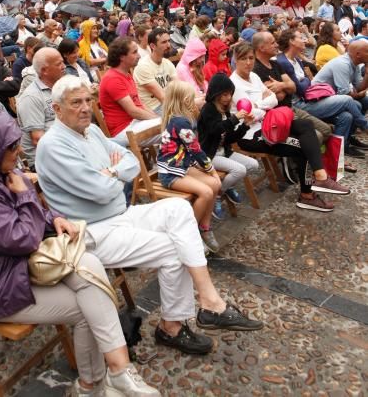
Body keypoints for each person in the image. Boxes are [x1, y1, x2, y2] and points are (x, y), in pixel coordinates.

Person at [36, 75, 264, 356]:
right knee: (173, 247)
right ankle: (172, 327)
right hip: (91, 232)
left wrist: (113, 172)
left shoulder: (91, 131)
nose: (85, 108)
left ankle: (209, 300)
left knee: (179, 209)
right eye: (76, 103)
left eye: (87, 100)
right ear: (57, 109)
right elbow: (101, 191)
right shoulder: (53, 145)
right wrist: (115, 173)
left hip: (120, 213)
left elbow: (134, 161)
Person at [0, 110, 159, 397]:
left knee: (90, 270)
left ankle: (112, 374)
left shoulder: (2, 173)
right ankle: (97, 383)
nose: (16, 151)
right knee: (91, 301)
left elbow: (36, 216)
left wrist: (54, 218)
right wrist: (26, 196)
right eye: (9, 147)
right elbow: (23, 239)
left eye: (15, 144)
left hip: (21, 270)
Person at [230, 42, 350, 211]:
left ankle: (320, 176)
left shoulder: (254, 77)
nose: (248, 62)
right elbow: (252, 114)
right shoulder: (234, 84)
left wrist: (261, 104)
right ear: (236, 59)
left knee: (306, 125)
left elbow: (273, 99)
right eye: (243, 59)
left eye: (251, 58)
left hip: (269, 124)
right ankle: (307, 194)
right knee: (304, 147)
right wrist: (264, 102)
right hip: (251, 135)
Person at [276, 29, 367, 161]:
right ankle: (365, 126)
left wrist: (305, 81)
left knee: (346, 117)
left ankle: (336, 154)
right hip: (300, 105)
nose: (305, 40)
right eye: (300, 37)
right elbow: (301, 89)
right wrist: (305, 81)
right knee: (349, 100)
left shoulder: (296, 60)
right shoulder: (284, 62)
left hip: (312, 98)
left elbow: (307, 83)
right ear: (291, 41)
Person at [157, 80, 221, 252]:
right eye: (193, 99)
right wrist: (211, 170)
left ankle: (205, 227)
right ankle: (188, 234)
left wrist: (210, 174)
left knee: (215, 184)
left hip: (182, 166)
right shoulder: (180, 123)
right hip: (170, 173)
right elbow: (196, 150)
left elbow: (191, 152)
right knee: (206, 192)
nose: (196, 102)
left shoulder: (183, 119)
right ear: (186, 101)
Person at [252, 31, 332, 145]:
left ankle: (306, 154)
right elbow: (278, 97)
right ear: (262, 48)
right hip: (277, 115)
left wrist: (281, 85)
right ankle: (298, 159)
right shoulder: (256, 69)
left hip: (291, 107)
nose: (276, 45)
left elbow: (293, 87)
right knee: (316, 136)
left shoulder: (275, 64)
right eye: (272, 43)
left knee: (326, 130)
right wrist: (286, 87)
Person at [198, 73, 259, 211]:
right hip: (209, 155)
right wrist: (234, 119)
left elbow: (230, 138)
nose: (228, 98)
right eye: (224, 94)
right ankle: (218, 194)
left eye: (230, 94)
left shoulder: (224, 111)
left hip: (224, 152)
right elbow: (215, 130)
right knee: (239, 170)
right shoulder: (208, 109)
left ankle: (225, 187)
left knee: (253, 164)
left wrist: (245, 126)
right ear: (216, 94)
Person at [99, 37, 159, 146]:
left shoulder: (126, 74)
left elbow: (140, 104)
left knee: (175, 123)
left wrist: (157, 118)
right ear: (122, 57)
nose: (139, 56)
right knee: (174, 126)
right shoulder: (113, 78)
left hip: (135, 123)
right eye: (134, 52)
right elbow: (133, 111)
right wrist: (159, 120)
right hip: (124, 130)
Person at [17, 48, 66, 170]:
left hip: (68, 147)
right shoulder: (31, 97)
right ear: (44, 71)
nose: (64, 66)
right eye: (59, 64)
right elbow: (38, 139)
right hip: (47, 160)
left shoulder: (62, 87)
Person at [133, 28, 177, 114]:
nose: (168, 45)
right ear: (153, 46)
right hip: (154, 109)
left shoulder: (167, 63)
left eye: (169, 41)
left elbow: (178, 87)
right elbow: (162, 97)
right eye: (164, 42)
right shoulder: (143, 66)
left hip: (169, 102)